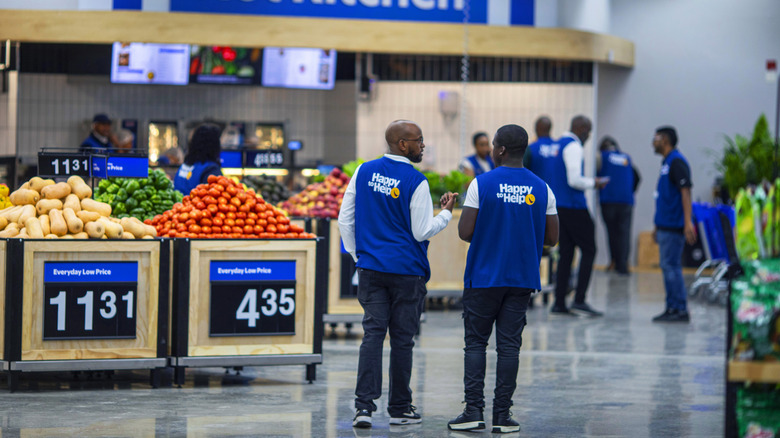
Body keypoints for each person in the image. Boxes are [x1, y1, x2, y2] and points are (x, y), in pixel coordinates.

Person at [338, 119, 457, 429]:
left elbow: (344, 221)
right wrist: (445, 214)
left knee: (372, 336)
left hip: (371, 270)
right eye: (418, 140)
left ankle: (363, 408)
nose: (422, 145)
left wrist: (359, 256)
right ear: (403, 144)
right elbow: (421, 231)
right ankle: (400, 409)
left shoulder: (363, 172)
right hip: (407, 273)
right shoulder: (415, 181)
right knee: (402, 341)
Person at [448, 124, 558, 433]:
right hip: (521, 277)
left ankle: (473, 412)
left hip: (483, 277)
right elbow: (552, 237)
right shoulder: (542, 188)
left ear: (499, 150)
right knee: (509, 347)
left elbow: (465, 231)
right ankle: (502, 416)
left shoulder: (480, 184)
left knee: (476, 344)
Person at [526, 115, 608, 317]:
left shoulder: (557, 145)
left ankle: (560, 302)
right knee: (589, 249)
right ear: (580, 128)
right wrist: (594, 183)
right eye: (588, 131)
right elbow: (574, 180)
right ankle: (579, 299)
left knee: (567, 254)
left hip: (558, 208)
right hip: (573, 206)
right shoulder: (573, 146)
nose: (589, 135)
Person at [652, 126, 696, 323]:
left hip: (674, 226)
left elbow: (685, 191)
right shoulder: (667, 163)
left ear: (666, 140)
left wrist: (687, 222)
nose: (653, 141)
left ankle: (679, 309)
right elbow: (664, 197)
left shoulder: (677, 162)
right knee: (668, 266)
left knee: (672, 267)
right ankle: (671, 307)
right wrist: (656, 225)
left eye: (657, 138)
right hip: (664, 225)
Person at [597, 136, 641, 275]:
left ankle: (613, 262)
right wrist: (629, 191)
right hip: (626, 201)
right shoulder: (626, 158)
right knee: (624, 233)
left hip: (608, 200)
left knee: (612, 233)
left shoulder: (601, 157)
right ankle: (624, 265)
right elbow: (637, 177)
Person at [174, 124, 222, 195]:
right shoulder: (210, 170)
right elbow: (217, 198)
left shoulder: (185, 165)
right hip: (193, 205)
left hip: (178, 205)